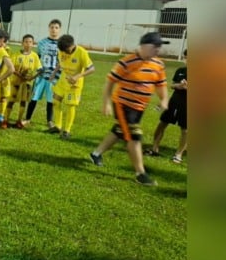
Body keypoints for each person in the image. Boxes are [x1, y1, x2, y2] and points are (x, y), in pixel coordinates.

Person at [89, 32, 169, 186]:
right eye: (155, 46)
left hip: (140, 107)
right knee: (134, 135)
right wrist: (106, 103)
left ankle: (95, 153)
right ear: (143, 46)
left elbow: (161, 85)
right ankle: (140, 173)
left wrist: (164, 99)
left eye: (159, 46)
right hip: (123, 105)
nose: (158, 49)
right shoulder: (127, 62)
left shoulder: (158, 64)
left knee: (119, 131)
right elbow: (110, 82)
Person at [47, 34, 95, 139]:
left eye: (66, 50)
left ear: (72, 45)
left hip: (74, 84)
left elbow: (92, 69)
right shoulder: (62, 50)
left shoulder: (82, 52)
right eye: (62, 51)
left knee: (70, 105)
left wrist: (78, 76)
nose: (64, 52)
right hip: (62, 80)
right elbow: (61, 62)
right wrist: (54, 73)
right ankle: (58, 126)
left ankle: (67, 131)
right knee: (55, 101)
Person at [147, 49, 188, 163]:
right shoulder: (180, 70)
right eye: (186, 57)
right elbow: (172, 85)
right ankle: (154, 148)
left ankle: (178, 154)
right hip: (174, 101)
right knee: (162, 123)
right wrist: (179, 86)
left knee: (185, 130)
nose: (186, 59)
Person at [23, 19, 61, 130]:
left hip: (54, 77)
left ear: (59, 29)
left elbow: (63, 61)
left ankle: (50, 121)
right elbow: (38, 58)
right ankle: (27, 118)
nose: (54, 30)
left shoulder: (61, 44)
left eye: (56, 27)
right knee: (34, 97)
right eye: (52, 27)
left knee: (50, 99)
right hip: (41, 76)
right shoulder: (42, 43)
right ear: (49, 28)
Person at [6, 34, 42, 128]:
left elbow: (40, 69)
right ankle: (5, 120)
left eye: (30, 42)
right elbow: (12, 68)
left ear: (33, 44)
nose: (28, 44)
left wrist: (32, 77)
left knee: (23, 101)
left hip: (27, 83)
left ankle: (19, 121)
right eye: (26, 42)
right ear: (22, 43)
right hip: (15, 82)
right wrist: (20, 75)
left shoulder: (34, 56)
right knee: (11, 101)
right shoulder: (16, 54)